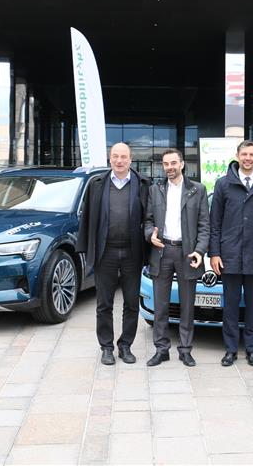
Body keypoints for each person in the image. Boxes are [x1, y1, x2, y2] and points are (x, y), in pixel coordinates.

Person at [76, 142, 152, 366]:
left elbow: (149, 217)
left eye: (123, 157)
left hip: (132, 253)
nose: (119, 161)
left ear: (130, 159)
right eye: (115, 156)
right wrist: (85, 248)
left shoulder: (143, 184)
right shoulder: (97, 184)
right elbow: (87, 217)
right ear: (110, 159)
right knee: (104, 304)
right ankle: (106, 347)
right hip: (105, 252)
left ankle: (125, 345)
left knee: (131, 303)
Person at [209, 141, 253, 367]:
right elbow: (215, 222)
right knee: (230, 306)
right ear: (237, 156)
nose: (248, 158)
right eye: (244, 154)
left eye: (252, 155)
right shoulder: (223, 184)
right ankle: (230, 350)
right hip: (229, 256)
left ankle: (252, 349)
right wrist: (214, 253)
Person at [144, 148, 210, 367]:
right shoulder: (155, 190)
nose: (169, 167)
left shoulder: (197, 190)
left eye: (173, 163)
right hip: (162, 251)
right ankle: (161, 349)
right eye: (166, 164)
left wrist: (200, 251)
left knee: (187, 306)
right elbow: (148, 220)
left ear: (182, 164)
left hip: (187, 253)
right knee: (160, 306)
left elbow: (205, 226)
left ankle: (185, 349)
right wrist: (150, 234)